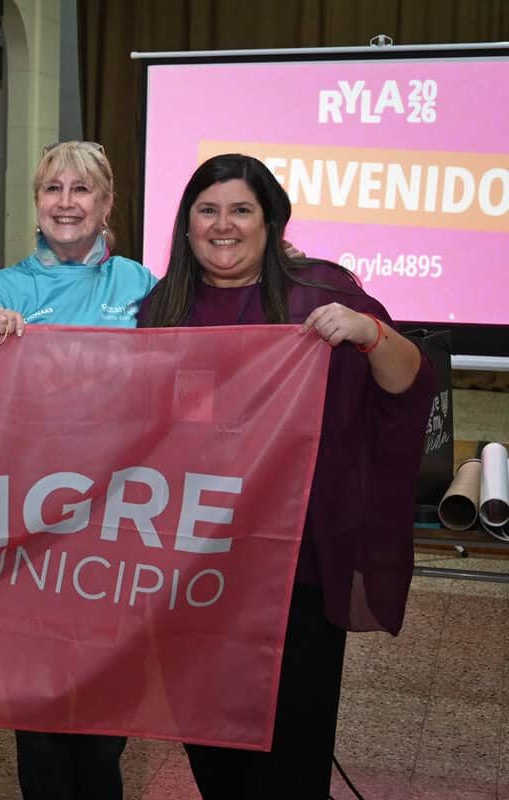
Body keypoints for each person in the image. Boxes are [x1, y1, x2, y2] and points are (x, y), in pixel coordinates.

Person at [138, 153, 433, 798]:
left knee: (294, 760)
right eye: (208, 210)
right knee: (213, 753)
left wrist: (370, 333)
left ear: (270, 222)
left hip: (294, 569)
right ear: (186, 225)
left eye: (242, 210)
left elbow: (410, 380)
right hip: (196, 569)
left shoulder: (323, 292)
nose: (224, 225)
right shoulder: (161, 311)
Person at [0, 140, 155, 800]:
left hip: (119, 527)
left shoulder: (140, 285)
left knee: (104, 721)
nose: (66, 203)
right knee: (40, 715)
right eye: (53, 189)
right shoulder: (1, 290)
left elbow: (188, 383)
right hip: (30, 530)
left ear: (107, 206)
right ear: (37, 203)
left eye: (82, 190)